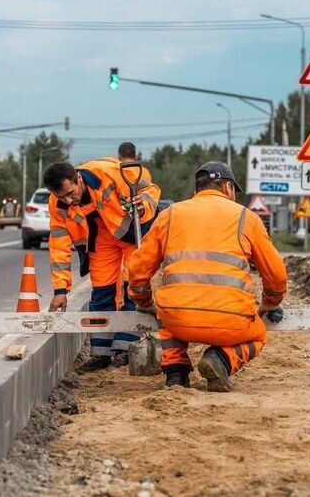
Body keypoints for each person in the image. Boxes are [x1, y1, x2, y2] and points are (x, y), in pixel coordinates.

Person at [127, 161, 287, 391]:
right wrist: (270, 304)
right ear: (228, 188)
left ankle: (176, 374)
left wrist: (144, 301)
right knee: (259, 336)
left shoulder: (170, 215)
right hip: (230, 320)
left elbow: (137, 269)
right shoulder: (247, 218)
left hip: (178, 319)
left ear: (197, 190)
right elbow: (276, 275)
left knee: (166, 314)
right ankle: (221, 359)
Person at [44, 150, 161, 373]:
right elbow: (58, 247)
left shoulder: (108, 173)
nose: (69, 200)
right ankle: (102, 353)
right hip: (100, 239)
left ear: (78, 178)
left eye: (71, 193)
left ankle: (125, 349)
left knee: (131, 288)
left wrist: (143, 202)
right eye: (62, 197)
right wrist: (61, 289)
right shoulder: (57, 205)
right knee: (102, 292)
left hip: (129, 233)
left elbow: (150, 188)